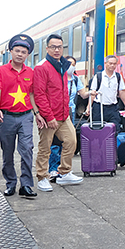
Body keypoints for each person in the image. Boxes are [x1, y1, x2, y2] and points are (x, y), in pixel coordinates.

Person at [0, 34, 44, 198]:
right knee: (7, 151)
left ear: (27, 55)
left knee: (27, 149)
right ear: (11, 52)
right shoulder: (0, 71)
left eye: (23, 52)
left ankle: (26, 185)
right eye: (17, 51)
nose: (20, 54)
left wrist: (37, 113)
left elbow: (32, 95)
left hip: (25, 117)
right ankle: (10, 183)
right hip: (6, 117)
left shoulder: (31, 72)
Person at [33, 34, 83, 192]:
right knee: (45, 147)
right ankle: (42, 177)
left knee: (71, 142)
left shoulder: (62, 65)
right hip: (50, 117)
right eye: (53, 47)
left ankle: (64, 172)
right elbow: (39, 94)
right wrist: (48, 116)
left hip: (63, 114)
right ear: (47, 48)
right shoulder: (42, 67)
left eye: (59, 47)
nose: (56, 50)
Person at [48, 56, 89, 180]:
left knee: (69, 142)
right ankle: (53, 170)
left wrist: (91, 93)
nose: (71, 66)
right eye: (69, 63)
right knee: (55, 143)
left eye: (73, 64)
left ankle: (65, 170)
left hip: (69, 113)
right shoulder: (57, 78)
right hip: (57, 112)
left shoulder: (76, 80)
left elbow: (83, 94)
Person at [87, 55, 125, 127]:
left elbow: (121, 91)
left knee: (115, 128)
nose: (112, 65)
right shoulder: (98, 76)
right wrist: (88, 107)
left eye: (114, 64)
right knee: (98, 129)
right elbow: (93, 93)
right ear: (105, 63)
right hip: (99, 107)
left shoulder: (118, 77)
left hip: (113, 107)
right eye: (110, 63)